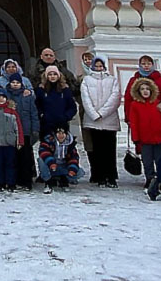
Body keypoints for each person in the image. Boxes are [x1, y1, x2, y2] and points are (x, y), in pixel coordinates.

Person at [80, 55, 121, 188]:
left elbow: (115, 97)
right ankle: (100, 176)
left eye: (100, 66)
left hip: (109, 120)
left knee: (110, 150)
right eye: (96, 66)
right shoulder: (86, 80)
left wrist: (102, 113)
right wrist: (93, 114)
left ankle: (111, 176)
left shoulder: (112, 80)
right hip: (93, 121)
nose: (98, 68)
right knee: (97, 150)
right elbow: (85, 98)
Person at [128, 77, 161, 188]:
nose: (145, 91)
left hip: (160, 137)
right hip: (144, 139)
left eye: (147, 89)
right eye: (142, 89)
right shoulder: (135, 105)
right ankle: (150, 178)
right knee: (147, 161)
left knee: (160, 160)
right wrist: (136, 138)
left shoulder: (157, 103)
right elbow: (134, 122)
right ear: (138, 91)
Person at [6, 73, 39, 191]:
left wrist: (35, 129)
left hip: (25, 131)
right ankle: (14, 180)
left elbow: (33, 113)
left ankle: (27, 181)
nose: (15, 85)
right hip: (11, 131)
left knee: (26, 157)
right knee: (13, 157)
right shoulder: (6, 95)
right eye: (13, 82)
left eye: (17, 83)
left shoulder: (27, 96)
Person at [123, 55, 161, 123]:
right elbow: (128, 99)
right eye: (143, 64)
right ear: (139, 65)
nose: (146, 66)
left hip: (157, 114)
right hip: (138, 115)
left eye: (149, 64)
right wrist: (128, 118)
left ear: (152, 65)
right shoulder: (133, 81)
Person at [35, 65, 78, 138]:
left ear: (58, 76)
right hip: (46, 124)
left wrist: (66, 116)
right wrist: (42, 115)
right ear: (46, 76)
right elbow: (37, 105)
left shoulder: (65, 90)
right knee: (46, 147)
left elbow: (72, 107)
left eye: (55, 74)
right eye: (50, 74)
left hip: (62, 124)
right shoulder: (41, 90)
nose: (52, 76)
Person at [38, 126, 84, 193]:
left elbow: (74, 158)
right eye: (59, 133)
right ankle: (48, 182)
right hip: (51, 166)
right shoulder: (48, 141)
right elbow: (44, 152)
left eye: (63, 133)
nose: (61, 136)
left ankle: (64, 179)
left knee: (80, 172)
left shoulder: (70, 144)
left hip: (63, 166)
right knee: (41, 160)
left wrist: (72, 169)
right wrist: (51, 163)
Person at [76, 52, 95, 181]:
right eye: (85, 59)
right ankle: (94, 170)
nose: (88, 61)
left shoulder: (105, 76)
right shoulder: (80, 78)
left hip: (103, 115)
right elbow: (76, 93)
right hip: (85, 113)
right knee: (89, 143)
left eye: (90, 59)